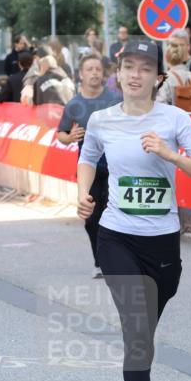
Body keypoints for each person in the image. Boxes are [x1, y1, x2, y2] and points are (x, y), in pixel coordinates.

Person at [77, 40, 191, 381]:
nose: (134, 74)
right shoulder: (101, 120)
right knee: (137, 331)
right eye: (127, 67)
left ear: (159, 77)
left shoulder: (176, 119)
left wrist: (170, 153)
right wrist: (82, 194)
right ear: (118, 73)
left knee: (143, 341)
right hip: (116, 237)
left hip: (163, 244)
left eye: (144, 68)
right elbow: (88, 156)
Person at [57, 53, 122, 278]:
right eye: (89, 69)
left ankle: (114, 259)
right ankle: (99, 260)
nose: (94, 72)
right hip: (89, 168)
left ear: (103, 73)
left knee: (112, 213)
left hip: (115, 166)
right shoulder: (75, 104)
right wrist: (71, 135)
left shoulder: (115, 99)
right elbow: (61, 134)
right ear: (81, 74)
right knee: (92, 217)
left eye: (97, 69)